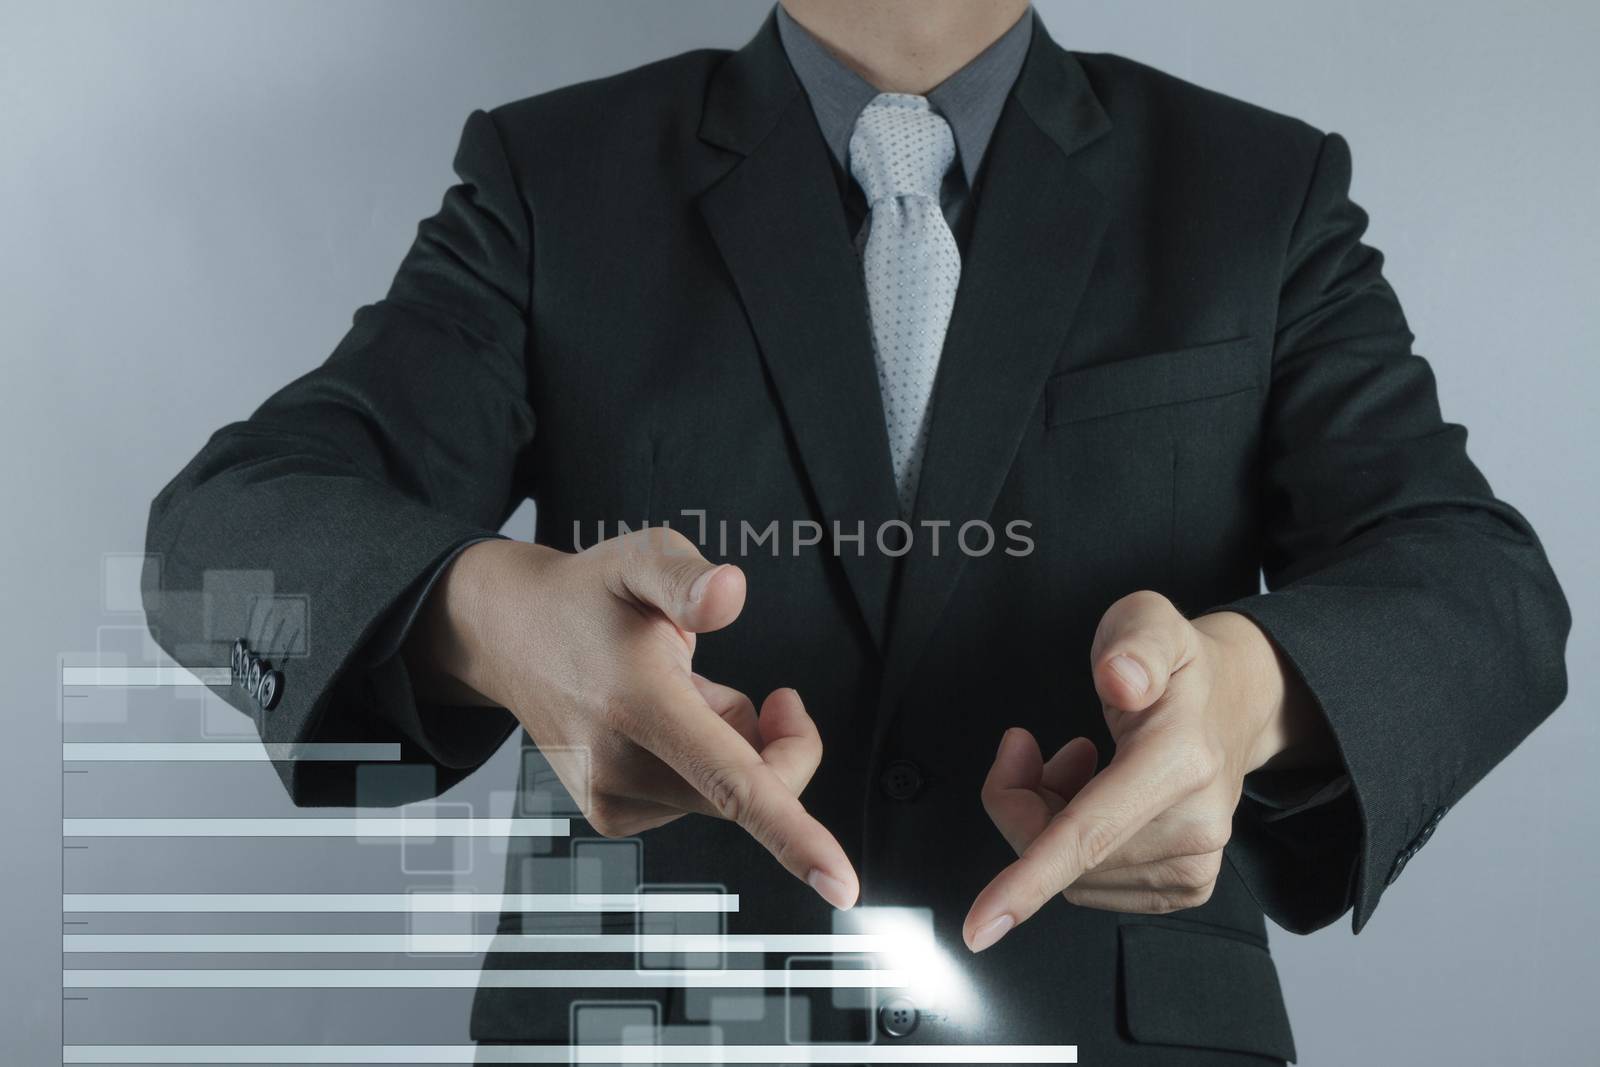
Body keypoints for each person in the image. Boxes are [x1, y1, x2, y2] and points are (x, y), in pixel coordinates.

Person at [142, 1, 1570, 1061]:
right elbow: (216, 540)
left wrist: (1252, 694)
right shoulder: (550, 180)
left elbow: (1479, 585)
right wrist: (487, 616)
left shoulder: (1261, 189)